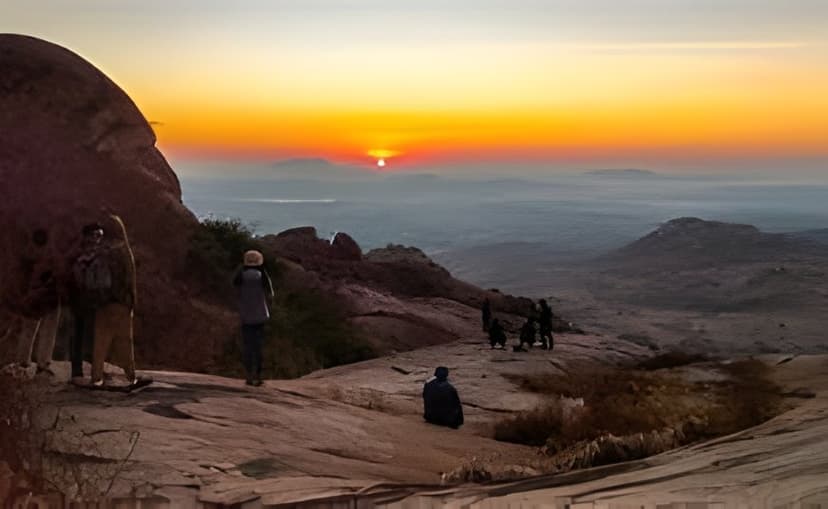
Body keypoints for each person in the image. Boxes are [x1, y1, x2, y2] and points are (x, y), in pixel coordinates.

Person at [73, 216, 142, 387]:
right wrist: (132, 299)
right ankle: (130, 375)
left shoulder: (101, 251)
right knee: (125, 341)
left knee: (101, 341)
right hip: (121, 302)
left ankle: (96, 377)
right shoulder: (123, 250)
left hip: (102, 301)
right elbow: (129, 277)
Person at [233, 250, 274, 386]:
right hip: (261, 314)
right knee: (258, 346)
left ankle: (248, 375)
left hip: (246, 314)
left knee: (248, 346)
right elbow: (271, 294)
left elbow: (235, 291)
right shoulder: (262, 275)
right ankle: (258, 375)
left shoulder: (241, 275)